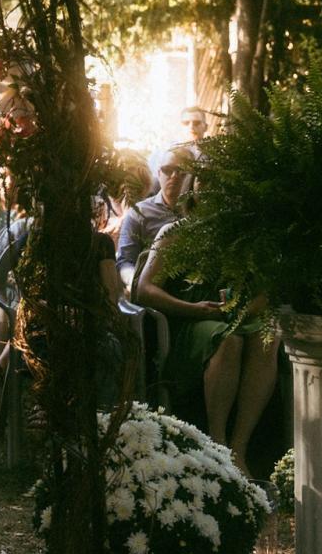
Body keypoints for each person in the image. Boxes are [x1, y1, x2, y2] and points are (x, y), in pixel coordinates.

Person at [134, 221, 277, 473]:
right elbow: (144, 290)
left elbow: (267, 292)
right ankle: (218, 444)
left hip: (233, 318)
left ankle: (239, 448)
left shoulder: (246, 230)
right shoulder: (175, 232)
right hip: (186, 320)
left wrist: (240, 312)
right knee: (228, 340)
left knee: (268, 339)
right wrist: (194, 309)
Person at [116, 145, 194, 293]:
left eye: (182, 170)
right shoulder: (139, 213)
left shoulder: (202, 212)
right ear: (159, 173)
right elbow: (125, 261)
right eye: (167, 170)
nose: (174, 176)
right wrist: (137, 284)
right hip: (154, 293)